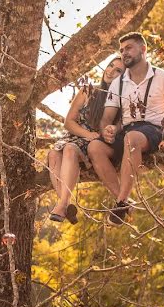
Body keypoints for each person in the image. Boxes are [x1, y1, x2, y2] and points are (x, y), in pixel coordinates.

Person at [87, 32, 164, 225]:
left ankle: (121, 200)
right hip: (126, 132)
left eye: (129, 48)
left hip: (154, 131)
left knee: (131, 137)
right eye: (122, 50)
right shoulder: (118, 83)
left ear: (143, 49)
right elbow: (107, 118)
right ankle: (123, 202)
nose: (124, 53)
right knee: (94, 148)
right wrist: (107, 129)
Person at [46, 56, 125, 223]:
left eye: (118, 70)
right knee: (53, 154)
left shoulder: (122, 99)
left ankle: (62, 205)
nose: (111, 71)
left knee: (69, 149)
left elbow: (119, 126)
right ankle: (65, 203)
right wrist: (86, 134)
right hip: (77, 135)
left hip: (96, 141)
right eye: (110, 65)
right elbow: (69, 122)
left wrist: (99, 134)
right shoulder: (88, 90)